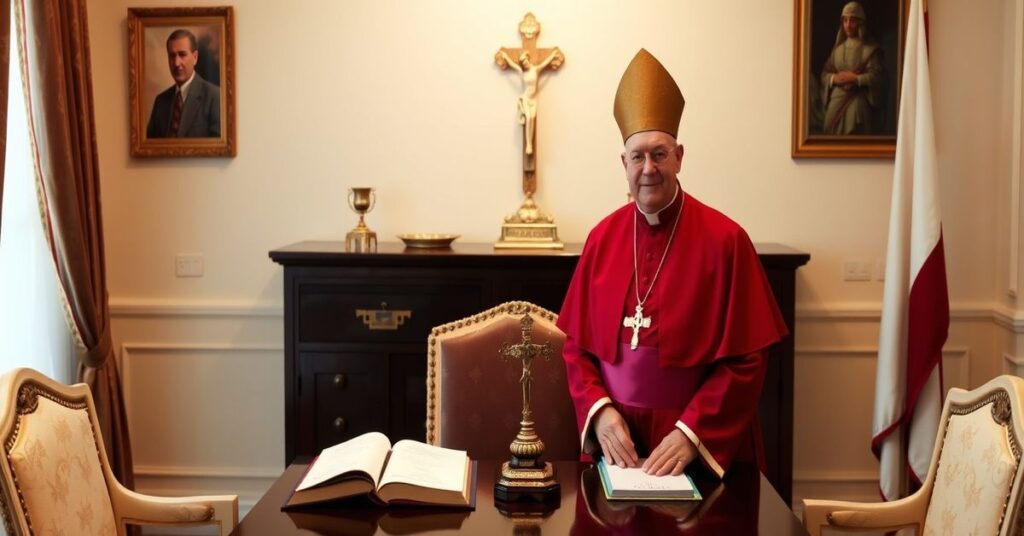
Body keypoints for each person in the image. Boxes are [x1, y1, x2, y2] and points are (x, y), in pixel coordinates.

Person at [557, 49, 788, 480]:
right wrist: (601, 413)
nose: (649, 168)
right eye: (638, 157)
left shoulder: (726, 240)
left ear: (679, 156)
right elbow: (577, 348)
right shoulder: (601, 239)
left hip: (694, 447)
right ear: (623, 165)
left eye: (659, 154)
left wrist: (691, 433)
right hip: (616, 447)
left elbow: (748, 360)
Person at [820, 1, 885, 134]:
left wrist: (857, 79)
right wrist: (834, 79)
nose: (848, 25)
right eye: (845, 21)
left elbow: (878, 78)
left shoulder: (869, 49)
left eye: (852, 21)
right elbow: (825, 74)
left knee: (855, 124)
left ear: (860, 23)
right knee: (828, 126)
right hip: (837, 99)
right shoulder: (837, 50)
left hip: (858, 99)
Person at [146, 29, 221, 138]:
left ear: (195, 57)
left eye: (182, 55)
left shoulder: (214, 96)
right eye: (172, 56)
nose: (176, 63)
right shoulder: (160, 102)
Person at [496, 48, 564, 157]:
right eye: (523, 63)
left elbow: (545, 63)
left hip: (533, 99)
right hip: (526, 98)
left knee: (532, 118)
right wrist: (505, 56)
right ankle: (529, 144)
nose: (525, 64)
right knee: (528, 118)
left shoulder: (535, 69)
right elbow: (513, 65)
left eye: (526, 62)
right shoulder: (522, 72)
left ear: (528, 60)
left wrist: (553, 55)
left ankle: (530, 142)